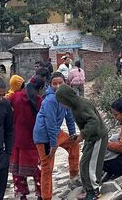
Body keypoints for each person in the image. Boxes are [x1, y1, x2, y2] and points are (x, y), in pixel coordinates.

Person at [33, 72, 81, 200]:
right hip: (44, 136)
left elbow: (69, 117)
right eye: (55, 84)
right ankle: (46, 197)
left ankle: (74, 176)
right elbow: (50, 123)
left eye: (61, 83)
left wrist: (72, 134)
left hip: (56, 131)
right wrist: (53, 144)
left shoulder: (65, 97)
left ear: (66, 83)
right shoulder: (50, 100)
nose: (58, 86)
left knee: (74, 144)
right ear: (50, 85)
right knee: (47, 167)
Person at [56, 85, 108, 200]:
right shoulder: (75, 106)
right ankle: (88, 189)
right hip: (91, 138)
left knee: (91, 166)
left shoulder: (81, 105)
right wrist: (78, 135)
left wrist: (82, 135)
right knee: (84, 164)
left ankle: (94, 191)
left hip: (98, 137)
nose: (61, 104)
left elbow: (93, 122)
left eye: (61, 101)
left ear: (67, 99)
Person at [7, 76, 46, 200]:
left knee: (18, 171)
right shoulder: (39, 100)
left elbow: (3, 106)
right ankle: (40, 193)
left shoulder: (14, 97)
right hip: (34, 140)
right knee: (38, 170)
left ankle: (21, 194)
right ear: (40, 88)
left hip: (17, 139)